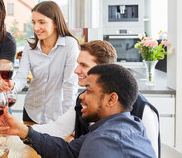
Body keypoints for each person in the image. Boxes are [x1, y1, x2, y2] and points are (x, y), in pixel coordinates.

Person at [0, 64, 156, 158]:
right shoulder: (132, 126)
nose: (82, 97)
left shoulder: (102, 143)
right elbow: (68, 151)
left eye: (89, 91)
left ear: (111, 99)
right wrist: (23, 131)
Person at [32, 40, 160, 157]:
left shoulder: (143, 109)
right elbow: (59, 129)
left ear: (103, 69)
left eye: (84, 65)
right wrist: (20, 132)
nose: (76, 70)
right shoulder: (83, 99)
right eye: (78, 64)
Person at [0, 1, 79, 124]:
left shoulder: (69, 44)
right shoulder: (30, 45)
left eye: (42, 22)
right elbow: (21, 77)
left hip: (58, 115)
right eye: (34, 22)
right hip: (32, 112)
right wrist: (12, 84)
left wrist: (69, 120)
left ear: (56, 23)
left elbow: (69, 84)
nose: (36, 27)